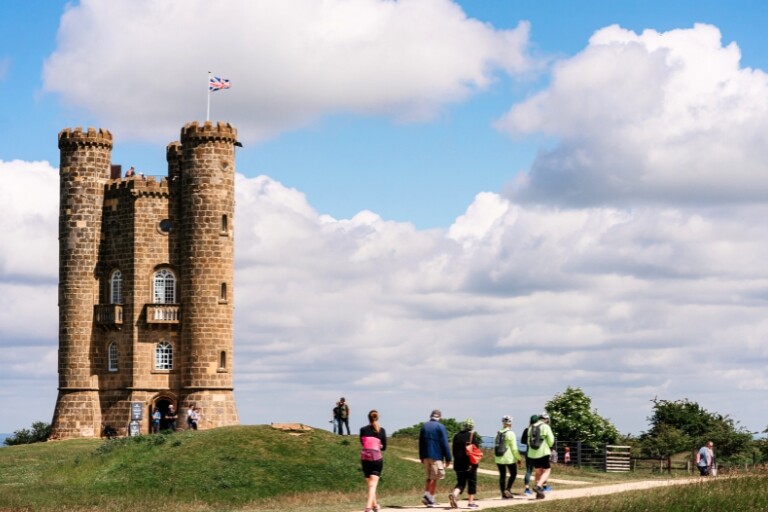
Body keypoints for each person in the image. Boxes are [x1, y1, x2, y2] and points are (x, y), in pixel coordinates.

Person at [419, 409, 452, 507]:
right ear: (439, 417)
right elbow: (444, 443)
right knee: (435, 477)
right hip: (436, 456)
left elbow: (420, 442)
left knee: (429, 477)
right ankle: (427, 496)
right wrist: (448, 458)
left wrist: (421, 456)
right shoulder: (440, 427)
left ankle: (431, 499)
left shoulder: (424, 426)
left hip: (425, 456)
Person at [449, 418, 481, 509]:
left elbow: (454, 451)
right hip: (469, 464)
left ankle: (454, 494)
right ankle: (471, 503)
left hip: (458, 464)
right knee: (472, 482)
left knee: (461, 482)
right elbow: (476, 450)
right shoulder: (472, 436)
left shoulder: (456, 436)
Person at [360, 410, 387, 512]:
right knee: (373, 485)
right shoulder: (382, 431)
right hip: (376, 459)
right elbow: (384, 448)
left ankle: (375, 505)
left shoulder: (363, 430)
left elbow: (362, 443)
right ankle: (368, 507)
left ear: (368, 418)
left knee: (370, 485)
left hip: (365, 459)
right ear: (377, 418)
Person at [527, 412, 555, 499]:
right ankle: (538, 486)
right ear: (546, 419)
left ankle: (539, 493)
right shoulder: (546, 426)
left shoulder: (531, 427)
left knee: (538, 471)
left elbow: (528, 441)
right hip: (543, 452)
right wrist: (549, 446)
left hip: (533, 453)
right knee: (547, 470)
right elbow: (551, 440)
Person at [494, 415, 521, 499]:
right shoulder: (511, 433)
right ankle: (508, 489)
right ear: (510, 423)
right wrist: (518, 458)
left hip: (499, 457)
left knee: (502, 475)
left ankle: (503, 494)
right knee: (513, 474)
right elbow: (514, 449)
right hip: (509, 458)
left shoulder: (497, 433)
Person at [519, 417, 536, 496]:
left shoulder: (527, 430)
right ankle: (538, 487)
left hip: (528, 452)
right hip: (537, 453)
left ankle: (526, 488)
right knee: (539, 470)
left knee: (528, 471)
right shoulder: (538, 430)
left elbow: (522, 441)